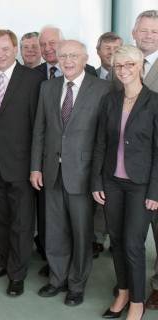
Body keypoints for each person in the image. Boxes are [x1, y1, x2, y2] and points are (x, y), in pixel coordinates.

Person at [31, 40, 109, 306]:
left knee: (81, 232)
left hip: (84, 174)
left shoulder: (102, 88)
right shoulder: (48, 87)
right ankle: (57, 278)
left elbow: (104, 139)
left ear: (85, 57)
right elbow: (39, 131)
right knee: (54, 231)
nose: (68, 60)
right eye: (63, 55)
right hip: (51, 172)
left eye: (74, 55)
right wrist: (35, 167)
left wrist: (99, 176)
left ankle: (77, 284)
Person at [92, 45, 157, 320]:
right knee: (116, 240)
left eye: (129, 64)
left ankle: (138, 302)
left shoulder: (154, 101)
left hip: (141, 184)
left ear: (140, 66)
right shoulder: (111, 100)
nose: (124, 70)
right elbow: (100, 143)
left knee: (132, 242)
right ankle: (123, 291)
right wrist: (97, 181)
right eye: (119, 66)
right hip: (112, 181)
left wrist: (156, 189)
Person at [0, 30, 43, 297]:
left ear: (15, 49)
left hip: (21, 165)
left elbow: (39, 126)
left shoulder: (34, 79)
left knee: (21, 222)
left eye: (5, 49)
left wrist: (35, 164)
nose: (0, 54)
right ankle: (4, 262)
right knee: (0, 220)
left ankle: (17, 274)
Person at [132, 10, 158, 310]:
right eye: (144, 30)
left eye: (154, 31)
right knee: (132, 234)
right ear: (134, 32)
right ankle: (132, 282)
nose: (148, 35)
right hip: (128, 169)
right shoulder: (123, 66)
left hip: (155, 165)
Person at [93, 31, 123, 259]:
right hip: (92, 143)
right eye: (107, 49)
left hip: (118, 146)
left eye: (116, 49)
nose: (111, 54)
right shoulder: (88, 74)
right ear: (98, 51)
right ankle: (96, 237)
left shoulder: (128, 77)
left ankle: (116, 238)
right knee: (96, 192)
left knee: (116, 194)